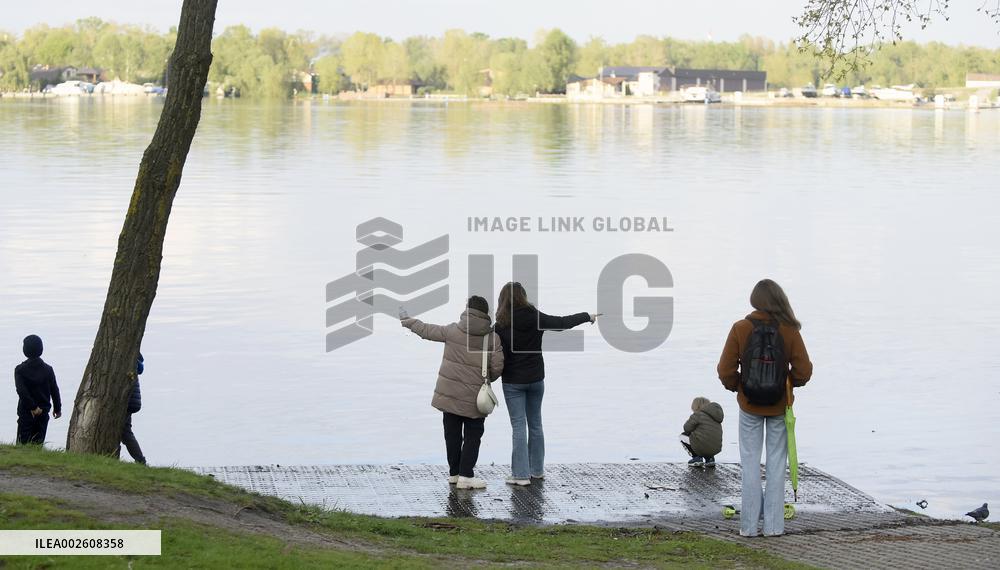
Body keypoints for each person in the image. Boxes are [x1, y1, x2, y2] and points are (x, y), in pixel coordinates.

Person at [717, 279, 813, 537]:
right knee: (776, 464)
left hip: (749, 406)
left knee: (749, 465)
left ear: (755, 300)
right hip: (780, 405)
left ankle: (748, 528)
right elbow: (804, 370)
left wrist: (739, 387)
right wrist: (789, 385)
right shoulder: (790, 330)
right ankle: (773, 528)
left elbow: (724, 370)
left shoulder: (740, 328)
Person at [494, 282, 599, 486]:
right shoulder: (535, 317)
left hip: (513, 382)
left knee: (518, 427)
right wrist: (587, 316)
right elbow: (561, 323)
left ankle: (521, 476)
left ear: (502, 301)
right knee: (535, 424)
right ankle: (537, 471)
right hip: (535, 379)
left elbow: (489, 348)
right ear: (524, 297)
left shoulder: (501, 325)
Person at [402, 296, 504, 490]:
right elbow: (497, 367)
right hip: (475, 398)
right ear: (486, 314)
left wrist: (408, 321)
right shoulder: (492, 338)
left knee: (452, 435)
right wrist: (486, 378)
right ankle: (466, 475)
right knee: (473, 436)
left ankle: (454, 474)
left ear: (467, 310)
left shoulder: (452, 331)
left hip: (449, 395)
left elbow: (426, 330)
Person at [14, 335, 62, 445]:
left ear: (24, 351)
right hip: (43, 411)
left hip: (26, 411)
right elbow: (54, 390)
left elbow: (22, 391)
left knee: (22, 442)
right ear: (41, 349)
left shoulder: (20, 370)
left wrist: (33, 407)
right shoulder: (48, 370)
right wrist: (57, 408)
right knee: (38, 442)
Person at [680, 396, 724, 468]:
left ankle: (697, 458)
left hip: (702, 446)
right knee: (708, 436)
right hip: (716, 448)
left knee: (683, 436)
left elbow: (686, 428)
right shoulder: (716, 417)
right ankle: (710, 459)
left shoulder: (697, 415)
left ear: (695, 406)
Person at [121, 353, 146, 465]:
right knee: (124, 431)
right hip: (132, 401)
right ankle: (140, 460)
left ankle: (140, 460)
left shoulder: (125, 358)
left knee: (124, 432)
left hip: (127, 401)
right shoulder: (135, 362)